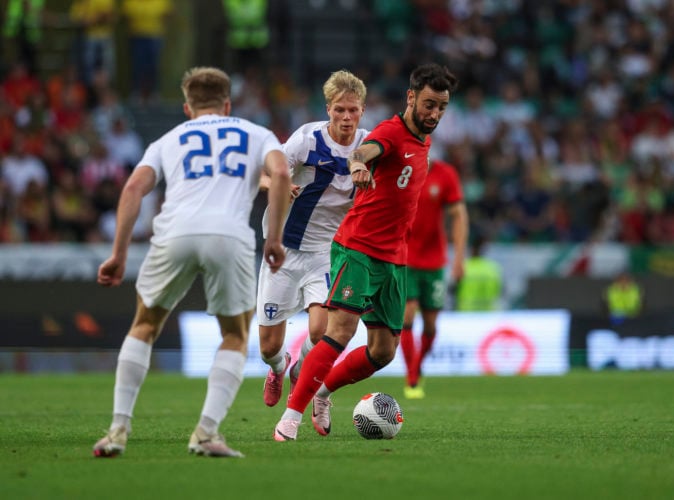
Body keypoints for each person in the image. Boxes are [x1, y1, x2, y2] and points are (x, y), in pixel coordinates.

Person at [92, 66, 291, 458]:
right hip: (229, 236)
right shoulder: (256, 133)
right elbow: (281, 172)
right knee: (234, 334)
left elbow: (134, 187)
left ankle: (117, 430)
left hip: (175, 233)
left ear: (187, 107)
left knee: (145, 325)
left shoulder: (169, 139)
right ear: (228, 103)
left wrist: (118, 253)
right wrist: (274, 238)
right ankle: (205, 433)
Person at [273, 63, 458, 441]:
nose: (434, 114)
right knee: (340, 330)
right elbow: (364, 150)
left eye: (441, 107)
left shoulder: (424, 140)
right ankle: (290, 417)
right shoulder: (390, 131)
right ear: (410, 97)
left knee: (383, 351)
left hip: (394, 257)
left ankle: (322, 394)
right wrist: (357, 165)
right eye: (428, 105)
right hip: (357, 248)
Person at [257, 69, 369, 407]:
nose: (346, 117)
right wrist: (278, 184)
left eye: (353, 110)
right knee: (267, 348)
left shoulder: (369, 146)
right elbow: (263, 174)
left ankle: (301, 370)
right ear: (328, 109)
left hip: (327, 251)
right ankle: (279, 368)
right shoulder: (306, 139)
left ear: (362, 110)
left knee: (322, 330)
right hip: (285, 248)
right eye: (339, 110)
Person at [401, 156, 468, 399]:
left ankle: (417, 366)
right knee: (407, 314)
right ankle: (412, 376)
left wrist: (459, 258)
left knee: (430, 323)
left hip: (434, 261)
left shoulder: (445, 174)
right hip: (404, 257)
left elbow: (458, 214)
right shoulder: (403, 171)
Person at [454, 235, 502, 311]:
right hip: (489, 313)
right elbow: (501, 291)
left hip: (465, 314)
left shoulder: (462, 266)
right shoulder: (493, 268)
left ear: (471, 250)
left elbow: (452, 290)